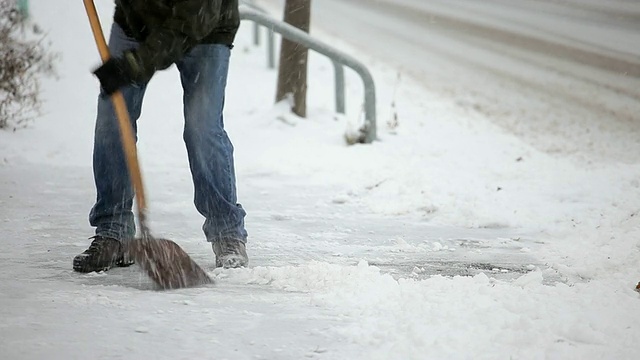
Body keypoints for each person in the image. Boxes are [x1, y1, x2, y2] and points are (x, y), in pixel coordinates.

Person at [73, 0, 248, 273]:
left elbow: (189, 22)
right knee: (113, 122)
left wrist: (133, 65)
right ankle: (113, 231)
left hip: (206, 26)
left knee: (202, 128)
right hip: (136, 22)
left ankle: (227, 233)